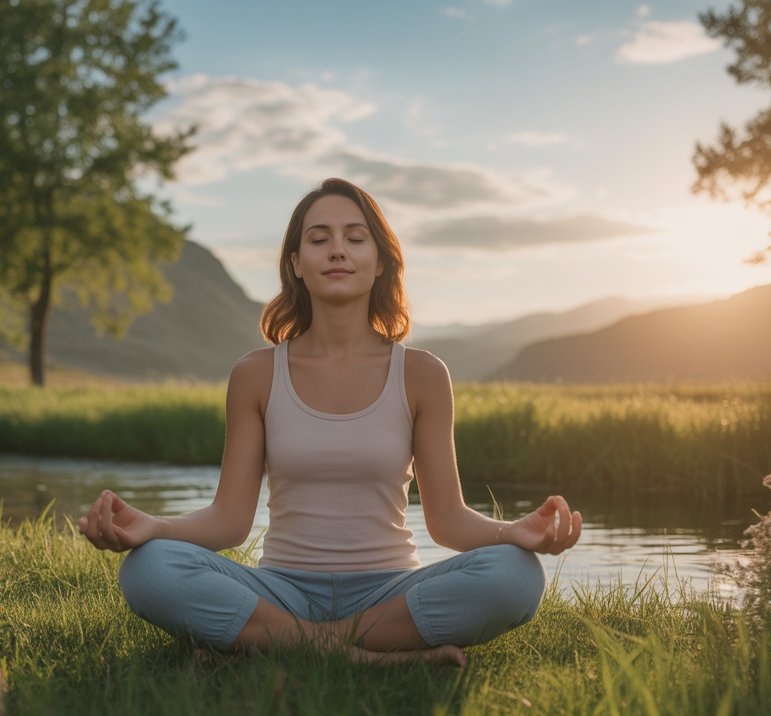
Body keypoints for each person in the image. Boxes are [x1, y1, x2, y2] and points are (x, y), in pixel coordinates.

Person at [79, 178, 582, 666]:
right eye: (319, 239)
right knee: (149, 569)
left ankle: (292, 643)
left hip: (391, 592)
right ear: (296, 264)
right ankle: (368, 654)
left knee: (516, 576)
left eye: (355, 238)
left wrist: (515, 531)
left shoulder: (423, 374)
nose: (337, 250)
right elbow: (230, 520)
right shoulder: (256, 374)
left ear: (380, 261)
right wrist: (154, 528)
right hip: (282, 588)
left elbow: (447, 520)